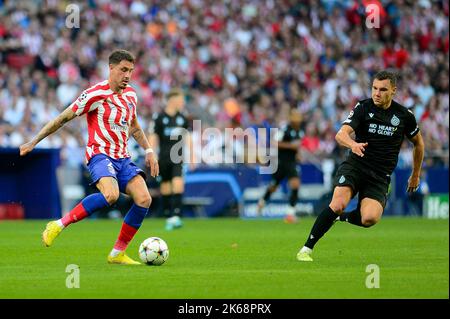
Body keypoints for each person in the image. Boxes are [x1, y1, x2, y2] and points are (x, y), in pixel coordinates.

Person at [19, 49, 159, 265]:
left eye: (130, 71)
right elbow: (62, 118)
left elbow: (135, 127)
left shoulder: (131, 95)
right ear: (111, 68)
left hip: (122, 157)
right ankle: (58, 224)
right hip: (100, 154)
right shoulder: (95, 94)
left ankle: (117, 254)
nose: (127, 76)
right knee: (111, 195)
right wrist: (34, 141)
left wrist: (149, 151)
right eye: (123, 70)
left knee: (144, 199)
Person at [296, 70, 425, 261]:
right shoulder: (363, 108)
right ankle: (306, 248)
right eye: (374, 88)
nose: (377, 93)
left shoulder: (404, 116)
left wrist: (415, 174)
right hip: (356, 165)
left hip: (380, 176)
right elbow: (341, 134)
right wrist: (353, 144)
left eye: (382, 89)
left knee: (369, 219)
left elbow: (419, 144)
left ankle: (340, 218)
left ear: (393, 91)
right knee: (338, 203)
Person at [149, 88, 193, 230]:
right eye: (180, 99)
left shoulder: (182, 117)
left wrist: (192, 156)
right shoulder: (159, 117)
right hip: (163, 158)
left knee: (178, 183)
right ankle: (169, 216)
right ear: (172, 99)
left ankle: (176, 215)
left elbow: (188, 137)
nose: (182, 102)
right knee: (166, 187)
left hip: (177, 157)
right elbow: (154, 136)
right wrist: (151, 153)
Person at [257, 108, 303, 224]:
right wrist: (290, 146)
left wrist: (297, 154)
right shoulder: (285, 129)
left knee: (295, 184)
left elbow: (296, 147)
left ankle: (290, 213)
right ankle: (262, 201)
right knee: (274, 186)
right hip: (281, 162)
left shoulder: (299, 132)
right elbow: (274, 142)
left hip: (291, 163)